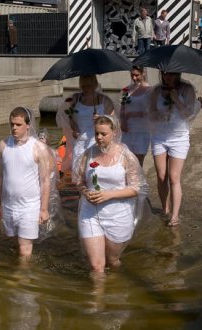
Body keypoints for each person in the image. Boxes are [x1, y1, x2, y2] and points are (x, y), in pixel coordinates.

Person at [74, 115, 147, 275]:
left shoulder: (126, 156)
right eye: (96, 133)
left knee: (112, 260)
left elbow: (137, 188)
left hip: (118, 215)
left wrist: (109, 195)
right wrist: (85, 191)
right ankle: (97, 299)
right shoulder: (88, 154)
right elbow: (78, 180)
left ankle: (116, 287)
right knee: (96, 265)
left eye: (103, 134)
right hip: (90, 213)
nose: (99, 138)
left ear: (114, 132)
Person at [0, 107, 51, 262]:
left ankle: (21, 281)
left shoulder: (38, 148)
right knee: (14, 243)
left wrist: (44, 209)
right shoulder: (3, 145)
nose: (14, 128)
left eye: (18, 124)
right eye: (12, 124)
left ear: (28, 125)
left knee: (25, 250)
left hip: (30, 206)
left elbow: (45, 181)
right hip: (9, 204)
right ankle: (16, 270)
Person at [148, 72, 200, 226]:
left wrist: (176, 99)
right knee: (161, 176)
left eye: (170, 74)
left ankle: (175, 216)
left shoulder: (188, 88)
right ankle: (165, 208)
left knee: (173, 177)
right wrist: (159, 115)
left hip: (179, 138)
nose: (166, 77)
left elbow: (189, 115)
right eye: (164, 74)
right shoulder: (157, 90)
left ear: (177, 73)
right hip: (159, 137)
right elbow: (150, 112)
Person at [56, 75, 115, 179]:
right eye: (83, 86)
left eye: (88, 86)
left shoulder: (105, 100)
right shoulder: (75, 98)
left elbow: (112, 123)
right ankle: (82, 194)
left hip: (97, 140)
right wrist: (74, 128)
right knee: (79, 173)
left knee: (95, 173)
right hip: (79, 141)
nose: (86, 88)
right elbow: (70, 117)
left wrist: (101, 119)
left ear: (95, 84)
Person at [120, 65, 152, 167]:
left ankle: (138, 182)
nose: (134, 78)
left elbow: (151, 110)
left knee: (137, 162)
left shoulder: (149, 90)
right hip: (127, 130)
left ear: (143, 73)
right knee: (125, 161)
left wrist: (134, 113)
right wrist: (123, 121)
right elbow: (122, 107)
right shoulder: (127, 90)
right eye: (132, 75)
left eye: (136, 75)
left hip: (142, 130)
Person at [37, 128, 65, 240]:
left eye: (43, 138)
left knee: (51, 210)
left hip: (50, 189)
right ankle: (41, 231)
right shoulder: (34, 152)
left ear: (47, 140)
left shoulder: (52, 152)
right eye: (39, 138)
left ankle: (49, 231)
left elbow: (57, 173)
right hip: (39, 189)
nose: (41, 140)